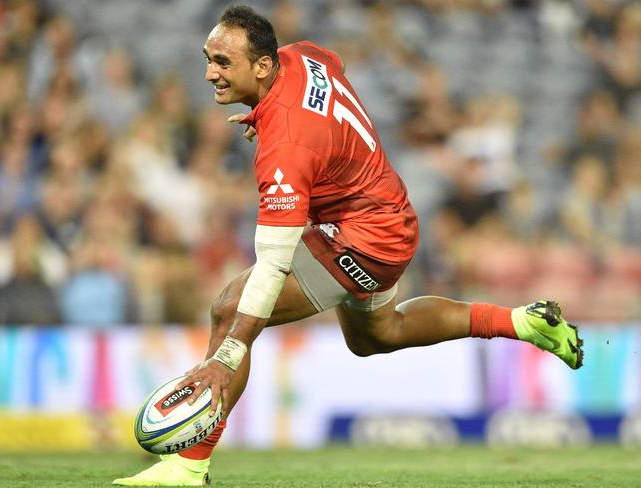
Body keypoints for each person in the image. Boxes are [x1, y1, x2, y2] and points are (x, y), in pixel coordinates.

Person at [114, 5, 583, 486]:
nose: (210, 72)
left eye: (223, 62)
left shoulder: (288, 147)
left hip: (365, 237)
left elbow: (273, 263)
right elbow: (334, 67)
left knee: (230, 308)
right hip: (387, 212)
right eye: (209, 58)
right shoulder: (302, 56)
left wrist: (225, 358)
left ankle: (191, 465)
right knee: (376, 337)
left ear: (262, 65)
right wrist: (274, 114)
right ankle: (522, 322)